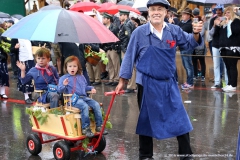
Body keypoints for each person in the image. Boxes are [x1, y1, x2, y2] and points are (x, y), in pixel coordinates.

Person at [115, 0, 203, 159]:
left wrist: (196, 33)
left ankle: (186, 153)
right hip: (147, 84)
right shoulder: (139, 33)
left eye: (160, 9)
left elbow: (190, 43)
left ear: (166, 12)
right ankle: (145, 155)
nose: (156, 12)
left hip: (169, 83)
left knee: (179, 117)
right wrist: (123, 81)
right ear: (148, 12)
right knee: (146, 120)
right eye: (153, 9)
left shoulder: (174, 31)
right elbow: (129, 56)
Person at [58, 56, 108, 138]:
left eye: (74, 66)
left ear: (78, 67)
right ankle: (85, 128)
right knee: (84, 106)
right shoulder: (63, 78)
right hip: (72, 99)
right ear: (66, 67)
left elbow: (85, 88)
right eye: (70, 66)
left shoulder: (81, 77)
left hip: (83, 97)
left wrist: (91, 88)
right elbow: (59, 90)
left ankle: (99, 126)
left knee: (96, 104)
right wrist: (64, 85)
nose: (72, 68)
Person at [214, 6, 240, 92]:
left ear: (232, 12)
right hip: (223, 48)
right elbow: (217, 34)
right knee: (227, 66)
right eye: (225, 13)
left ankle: (233, 85)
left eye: (228, 12)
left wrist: (230, 24)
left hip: (233, 48)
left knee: (232, 66)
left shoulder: (236, 21)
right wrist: (217, 25)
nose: (226, 14)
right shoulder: (223, 23)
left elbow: (236, 31)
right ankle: (229, 83)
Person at [209, 4, 228, 89]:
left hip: (225, 45)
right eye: (217, 10)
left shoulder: (226, 19)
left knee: (226, 64)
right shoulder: (213, 19)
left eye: (220, 10)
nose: (218, 11)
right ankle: (217, 82)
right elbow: (211, 33)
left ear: (222, 10)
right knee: (216, 64)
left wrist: (225, 23)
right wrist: (214, 25)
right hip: (215, 44)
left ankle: (227, 82)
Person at [10, 38, 35, 104]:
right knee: (24, 78)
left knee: (30, 78)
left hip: (30, 60)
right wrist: (15, 47)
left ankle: (30, 95)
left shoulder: (29, 38)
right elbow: (11, 50)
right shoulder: (15, 39)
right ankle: (26, 97)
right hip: (22, 61)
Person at [118, 9, 136, 93]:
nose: (119, 17)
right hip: (126, 48)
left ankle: (131, 86)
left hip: (126, 48)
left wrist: (128, 49)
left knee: (130, 67)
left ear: (125, 15)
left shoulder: (127, 24)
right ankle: (130, 85)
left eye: (121, 15)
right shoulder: (127, 23)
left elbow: (130, 37)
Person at [101, 13, 120, 86]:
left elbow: (117, 39)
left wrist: (114, 47)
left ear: (108, 19)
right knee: (110, 65)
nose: (103, 20)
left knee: (116, 64)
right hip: (107, 49)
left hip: (113, 48)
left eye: (104, 18)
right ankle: (111, 78)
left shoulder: (114, 27)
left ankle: (116, 79)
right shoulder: (105, 27)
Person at [178, 8, 195, 89]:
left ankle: (190, 83)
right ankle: (189, 81)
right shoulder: (182, 23)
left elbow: (180, 30)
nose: (182, 16)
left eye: (184, 14)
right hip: (182, 47)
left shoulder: (190, 24)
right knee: (186, 65)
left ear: (188, 15)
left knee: (188, 65)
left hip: (187, 47)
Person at [0, 20, 10, 99]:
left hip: (2, 57)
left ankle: (2, 92)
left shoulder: (3, 34)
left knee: (3, 75)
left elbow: (7, 44)